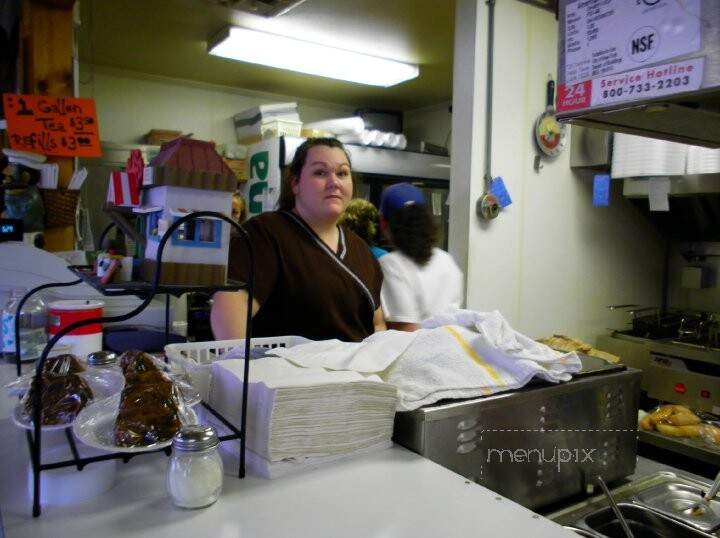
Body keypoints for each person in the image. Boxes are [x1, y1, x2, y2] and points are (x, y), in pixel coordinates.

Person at [211, 138, 386, 342]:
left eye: (342, 173)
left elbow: (377, 323)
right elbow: (231, 305)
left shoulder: (360, 249)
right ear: (295, 184)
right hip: (285, 371)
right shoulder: (265, 233)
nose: (334, 182)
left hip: (357, 371)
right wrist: (238, 365)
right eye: (320, 172)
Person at [378, 182, 463, 332]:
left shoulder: (390, 264)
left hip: (419, 352)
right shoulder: (447, 260)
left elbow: (406, 329)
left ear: (384, 224)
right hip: (453, 346)